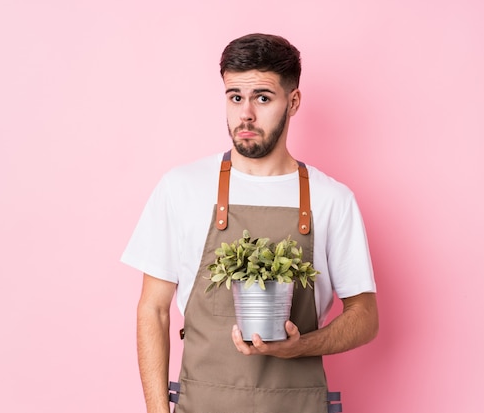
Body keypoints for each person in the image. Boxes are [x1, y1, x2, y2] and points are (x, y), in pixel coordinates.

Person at [122, 33, 379, 413]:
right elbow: (153, 310)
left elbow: (365, 317)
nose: (245, 114)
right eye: (235, 97)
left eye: (262, 97)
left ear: (293, 102)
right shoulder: (181, 188)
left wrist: (301, 346)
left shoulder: (332, 199)